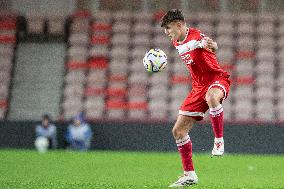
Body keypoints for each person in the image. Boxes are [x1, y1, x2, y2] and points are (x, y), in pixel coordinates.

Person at [161, 9, 231, 187]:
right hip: (198, 87)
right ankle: (189, 175)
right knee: (178, 131)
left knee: (212, 97)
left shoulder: (196, 35)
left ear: (179, 25)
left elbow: (211, 46)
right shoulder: (177, 42)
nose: (166, 32)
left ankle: (218, 141)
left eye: (168, 28)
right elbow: (189, 48)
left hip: (216, 79)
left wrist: (211, 45)